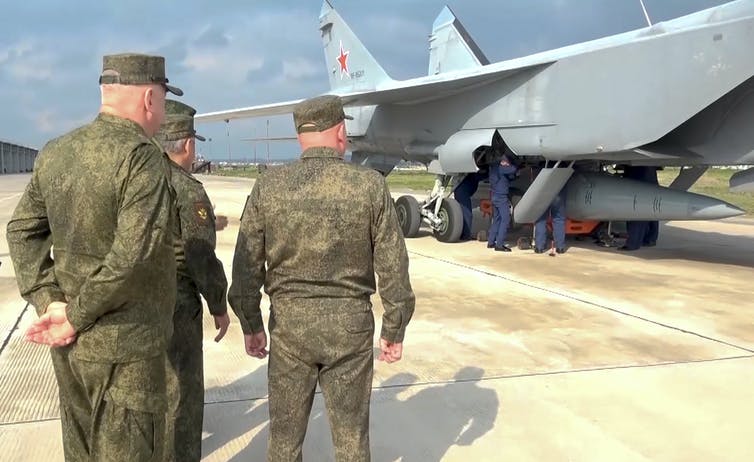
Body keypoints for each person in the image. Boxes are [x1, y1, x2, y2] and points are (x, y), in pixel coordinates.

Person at [6, 53, 182, 461]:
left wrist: (50, 301)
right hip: (127, 351)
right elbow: (132, 256)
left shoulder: (56, 152)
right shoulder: (141, 157)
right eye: (163, 99)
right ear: (150, 99)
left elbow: (21, 231)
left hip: (70, 350)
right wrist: (76, 314)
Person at [228, 95, 416, 462]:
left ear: (300, 136)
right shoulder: (370, 186)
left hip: (289, 328)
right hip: (349, 327)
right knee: (351, 442)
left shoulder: (269, 186)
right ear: (341, 133)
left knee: (283, 441)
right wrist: (394, 327)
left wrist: (250, 322)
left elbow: (245, 264)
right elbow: (394, 265)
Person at [157, 99, 230, 462]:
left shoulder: (138, 181)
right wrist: (219, 305)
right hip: (178, 306)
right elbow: (200, 256)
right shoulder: (188, 190)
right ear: (187, 144)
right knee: (183, 396)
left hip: (135, 304)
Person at [619, 165, 660, 251]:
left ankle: (633, 243)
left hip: (638, 175)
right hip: (649, 174)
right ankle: (650, 239)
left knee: (635, 210)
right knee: (651, 209)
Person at [487, 152, 518, 251]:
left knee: (497, 219)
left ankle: (491, 242)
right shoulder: (502, 168)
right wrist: (516, 165)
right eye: (507, 162)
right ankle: (499, 245)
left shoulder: (495, 169)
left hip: (495, 196)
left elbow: (508, 177)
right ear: (504, 162)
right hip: (501, 198)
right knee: (505, 219)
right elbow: (513, 169)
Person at [534, 188, 567, 254]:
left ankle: (539, 247)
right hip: (559, 191)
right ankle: (560, 248)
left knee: (541, 219)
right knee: (559, 219)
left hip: (543, 191)